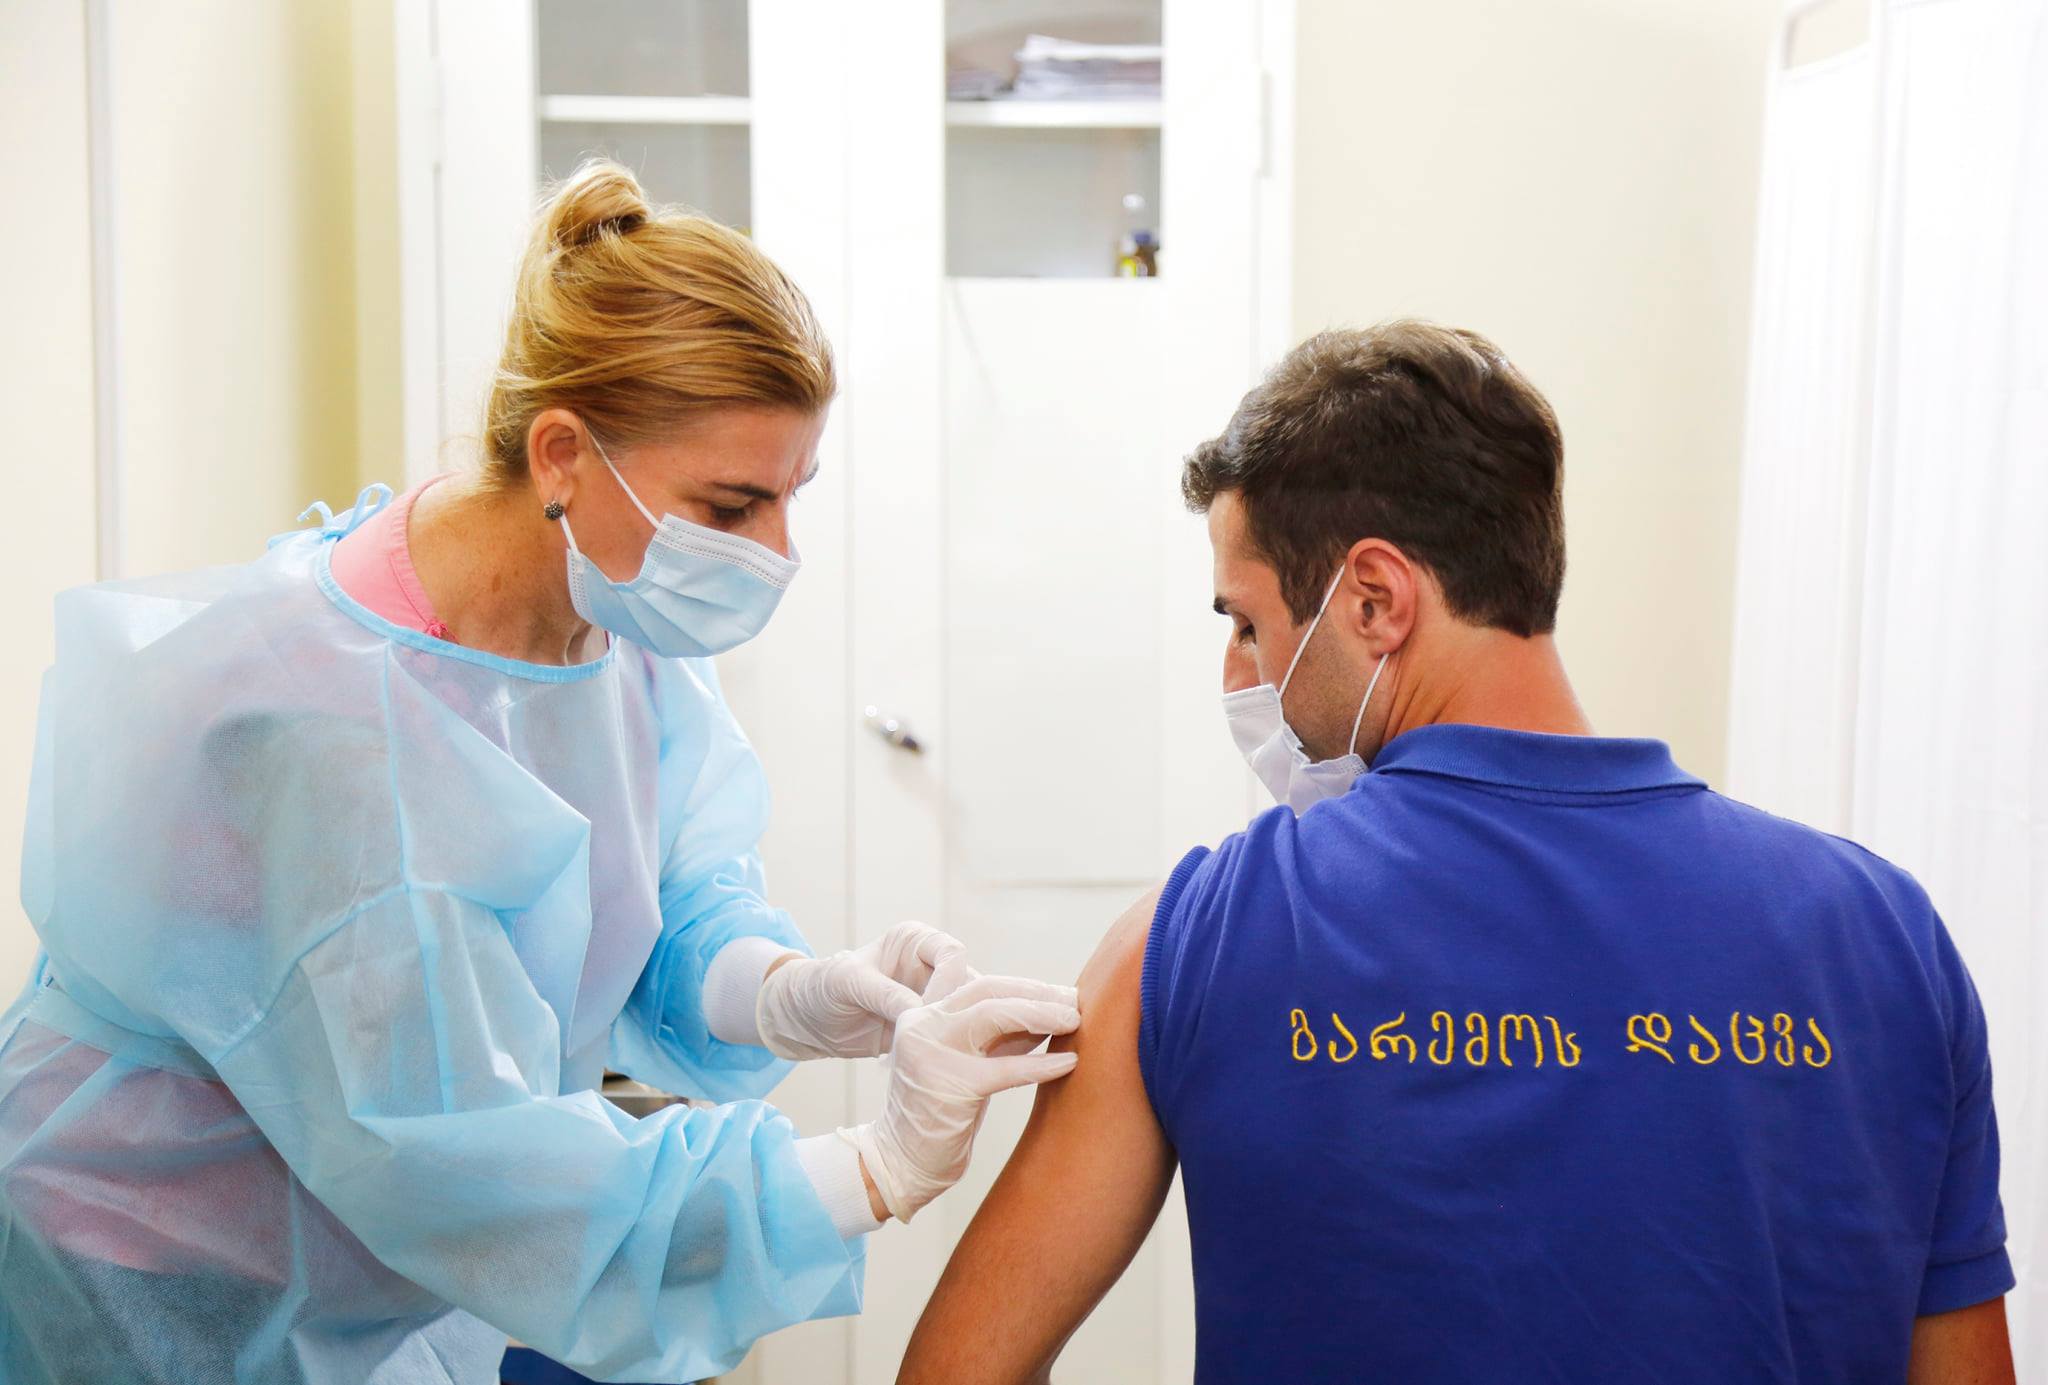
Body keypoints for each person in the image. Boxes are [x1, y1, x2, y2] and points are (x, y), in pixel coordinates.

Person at [0, 160, 1079, 1385]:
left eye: (792, 495)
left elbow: (650, 896)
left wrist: (790, 990)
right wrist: (876, 1162)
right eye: (732, 505)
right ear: (562, 452)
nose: (776, 552)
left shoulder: (602, 608)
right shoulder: (339, 737)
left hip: (375, 1257)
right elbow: (471, 1166)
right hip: (167, 1266)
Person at [900, 321, 2016, 1384]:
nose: (1238, 673)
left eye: (1246, 621)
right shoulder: (1887, 937)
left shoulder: (1186, 943)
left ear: (1374, 599)